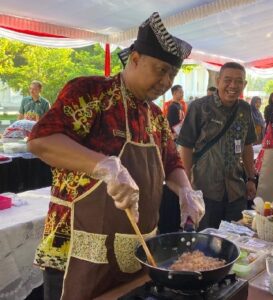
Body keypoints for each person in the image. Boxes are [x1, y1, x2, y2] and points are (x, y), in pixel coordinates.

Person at [27, 12, 205, 300]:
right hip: (76, 249)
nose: (166, 81)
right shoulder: (91, 92)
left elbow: (172, 162)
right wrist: (103, 166)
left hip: (135, 254)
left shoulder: (156, 117)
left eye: (171, 74)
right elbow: (41, 140)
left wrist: (185, 189)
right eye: (160, 70)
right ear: (134, 59)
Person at [177, 62, 257, 230]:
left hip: (236, 191)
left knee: (237, 242)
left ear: (245, 84)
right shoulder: (199, 107)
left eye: (238, 81)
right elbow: (185, 146)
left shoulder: (245, 109)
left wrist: (251, 178)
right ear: (218, 80)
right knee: (205, 241)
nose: (233, 86)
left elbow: (247, 145)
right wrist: (187, 186)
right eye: (227, 80)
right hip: (205, 190)